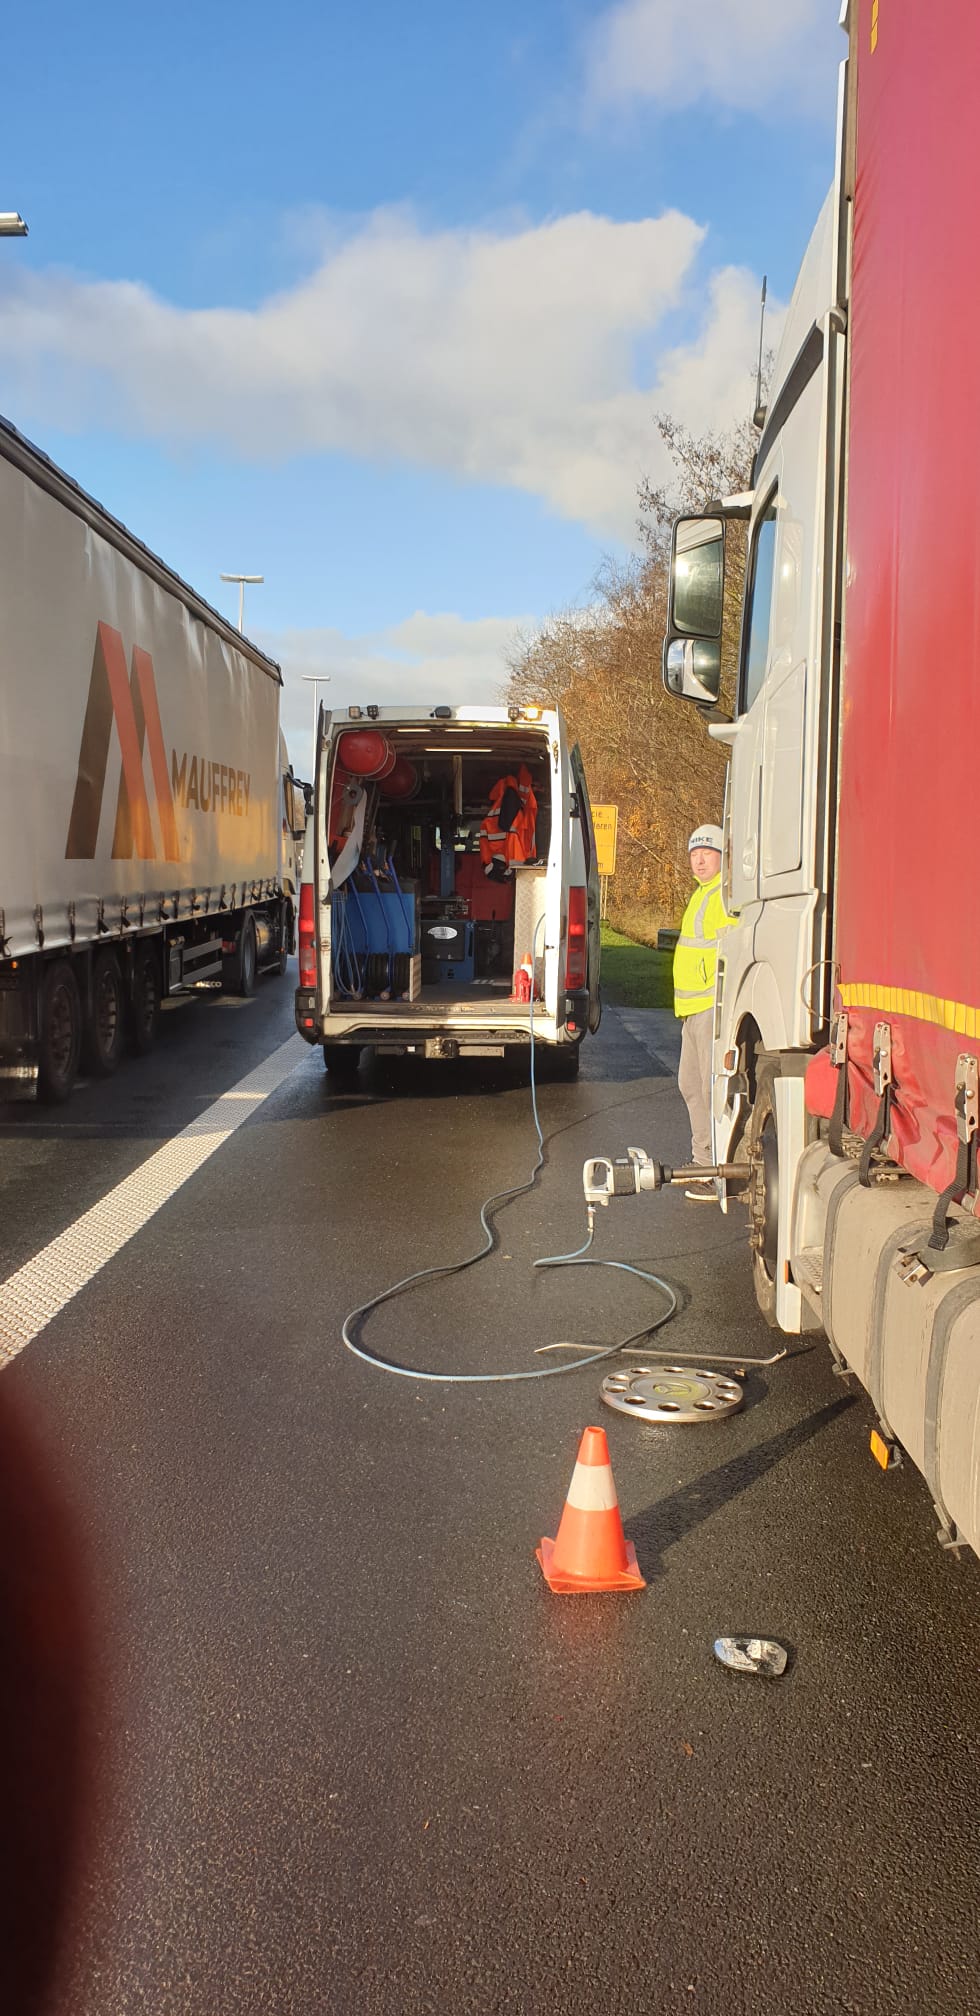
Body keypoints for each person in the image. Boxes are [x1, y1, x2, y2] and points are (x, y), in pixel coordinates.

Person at [673, 822, 730, 1200]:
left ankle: (715, 1170)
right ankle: (702, 1161)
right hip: (692, 1009)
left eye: (707, 853)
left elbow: (732, 946)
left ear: (723, 856)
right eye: (694, 853)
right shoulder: (701, 894)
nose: (699, 860)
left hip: (711, 1005)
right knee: (691, 1085)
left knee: (710, 1090)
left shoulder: (723, 895)